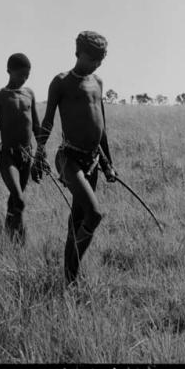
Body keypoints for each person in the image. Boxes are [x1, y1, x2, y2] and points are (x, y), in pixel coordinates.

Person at [31, 31, 117, 284]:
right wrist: (39, 153)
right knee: (94, 214)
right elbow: (47, 120)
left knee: (78, 219)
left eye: (101, 60)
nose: (97, 64)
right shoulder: (61, 82)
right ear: (78, 54)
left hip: (93, 161)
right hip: (69, 158)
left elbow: (101, 127)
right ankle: (72, 274)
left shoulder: (98, 82)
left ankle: (69, 278)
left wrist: (108, 163)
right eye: (93, 59)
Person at [0, 53, 40, 244]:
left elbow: (36, 127)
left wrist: (41, 155)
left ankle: (8, 241)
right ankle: (22, 242)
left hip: (26, 156)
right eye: (20, 74)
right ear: (9, 71)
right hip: (7, 157)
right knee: (19, 199)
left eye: (27, 75)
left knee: (14, 201)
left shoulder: (30, 94)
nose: (24, 78)